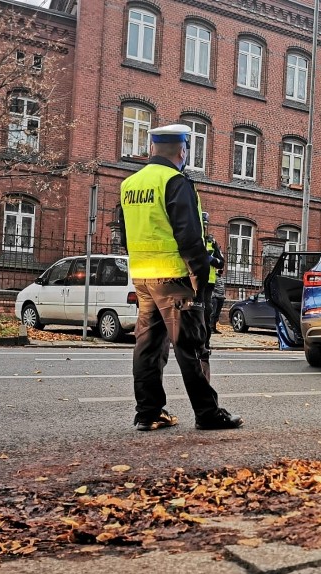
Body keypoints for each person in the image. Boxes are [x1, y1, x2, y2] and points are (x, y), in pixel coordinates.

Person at [118, 123, 242, 431]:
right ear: (182, 150)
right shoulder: (175, 181)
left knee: (147, 347)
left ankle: (148, 413)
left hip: (143, 279)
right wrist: (199, 280)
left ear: (152, 149)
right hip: (174, 279)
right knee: (191, 346)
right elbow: (190, 238)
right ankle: (208, 413)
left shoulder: (129, 185)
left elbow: (123, 236)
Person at [202, 212, 225, 348]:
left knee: (207, 312)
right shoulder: (192, 238)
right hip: (192, 282)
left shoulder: (211, 241)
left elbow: (221, 262)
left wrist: (211, 260)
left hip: (208, 284)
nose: (204, 227)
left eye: (205, 225)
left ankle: (205, 344)